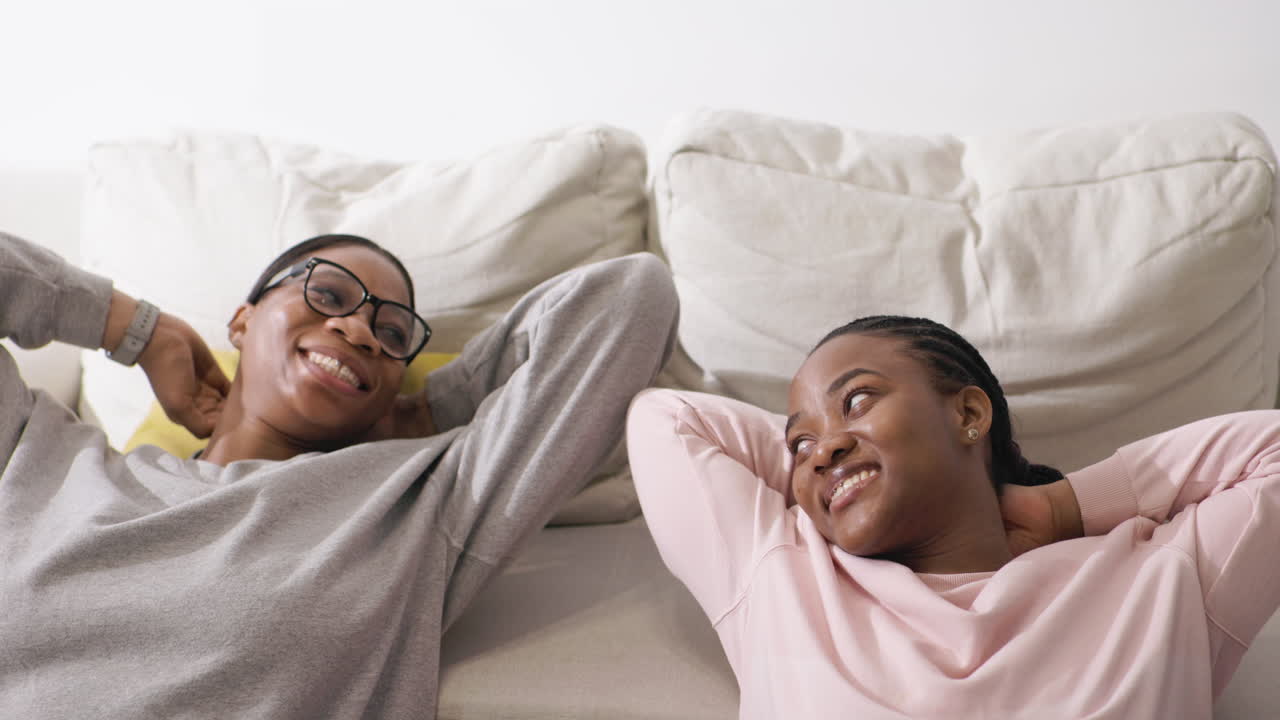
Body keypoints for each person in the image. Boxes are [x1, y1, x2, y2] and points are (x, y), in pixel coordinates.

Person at [0, 230, 678, 719]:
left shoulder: (418, 505)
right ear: (242, 320)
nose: (358, 330)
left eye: (391, 337)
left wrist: (423, 410)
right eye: (326, 293)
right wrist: (134, 327)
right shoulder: (44, 454)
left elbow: (631, 297)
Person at [627, 315, 1280, 719]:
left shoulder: (1162, 575)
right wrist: (833, 461)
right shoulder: (782, 573)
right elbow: (663, 418)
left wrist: (1067, 504)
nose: (821, 445)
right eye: (798, 444)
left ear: (969, 415)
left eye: (857, 399)